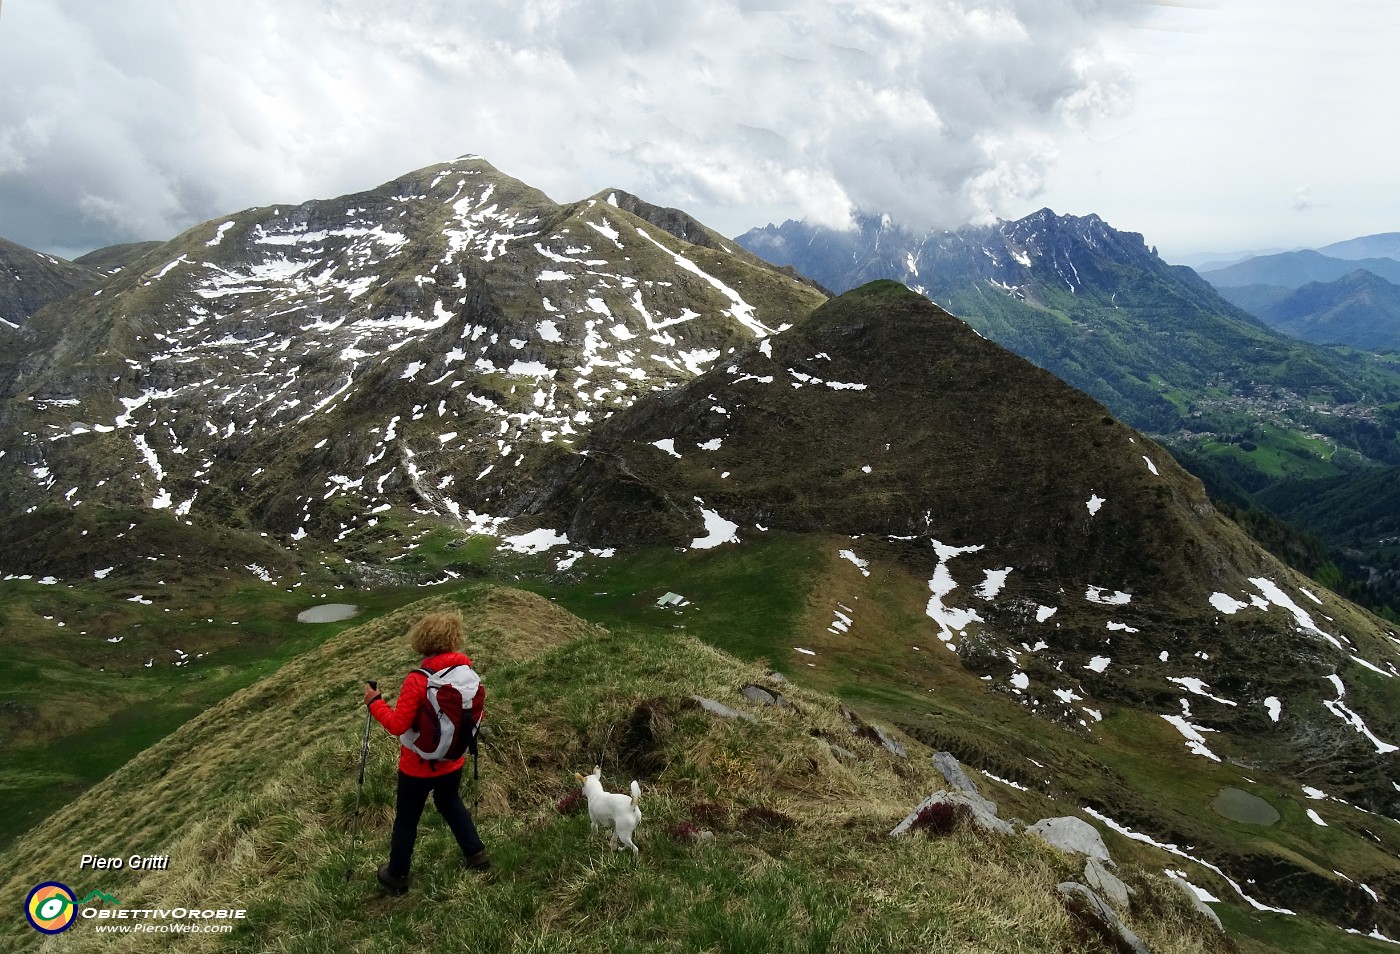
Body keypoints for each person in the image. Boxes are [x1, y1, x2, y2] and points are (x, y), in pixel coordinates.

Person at [363, 610, 490, 893]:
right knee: (450, 803)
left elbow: (398, 725)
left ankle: (396, 875)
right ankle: (476, 854)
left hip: (416, 764)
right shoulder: (467, 673)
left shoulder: (419, 679)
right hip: (452, 759)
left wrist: (374, 703)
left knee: (407, 818)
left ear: (421, 641)